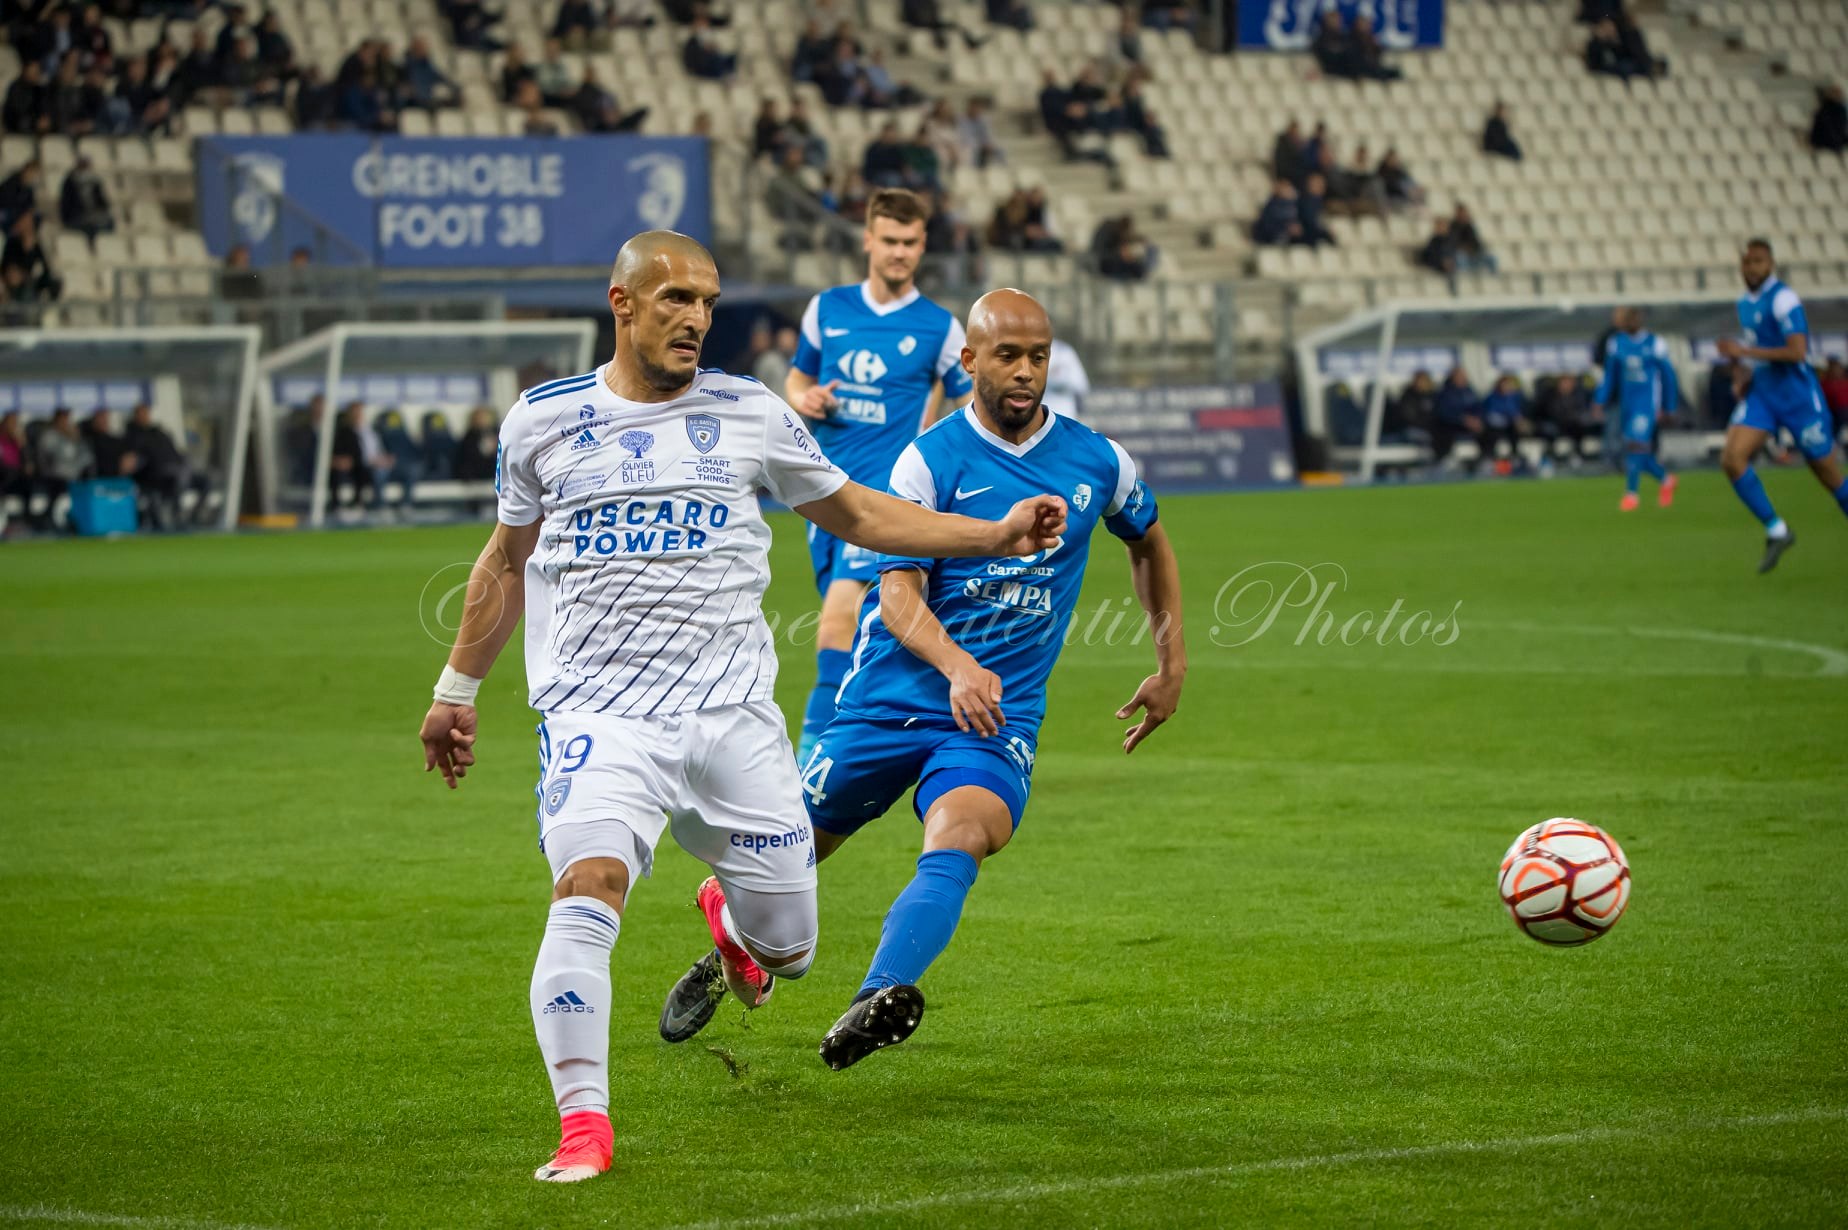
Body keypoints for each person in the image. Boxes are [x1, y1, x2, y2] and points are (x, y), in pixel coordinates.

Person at [416, 230, 1064, 1182]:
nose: (695, 319)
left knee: (793, 948)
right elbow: (505, 561)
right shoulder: (542, 422)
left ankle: (736, 927)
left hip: (733, 721)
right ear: (622, 301)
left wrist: (994, 533)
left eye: (708, 302)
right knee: (589, 886)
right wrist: (454, 691)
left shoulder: (748, 413)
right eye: (674, 298)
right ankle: (584, 1126)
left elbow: (859, 512)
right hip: (602, 717)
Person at [658, 288, 1183, 1068]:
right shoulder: (928, 460)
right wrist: (959, 664)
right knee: (789, 854)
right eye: (1007, 355)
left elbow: (1148, 541)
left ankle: (877, 995)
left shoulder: (1097, 461)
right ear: (970, 360)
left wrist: (1171, 661)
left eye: (1038, 356)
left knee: (965, 834)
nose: (1025, 372)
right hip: (887, 701)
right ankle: (731, 934)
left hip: (994, 716)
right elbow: (897, 595)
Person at [783, 189, 975, 761]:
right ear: (868, 239)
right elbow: (796, 380)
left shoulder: (940, 328)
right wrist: (807, 396)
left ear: (922, 246)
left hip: (885, 499)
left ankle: (810, 763)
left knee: (839, 619)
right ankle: (903, 731)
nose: (899, 253)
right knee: (867, 629)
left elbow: (973, 412)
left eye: (910, 243)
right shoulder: (827, 309)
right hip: (822, 495)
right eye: (889, 241)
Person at [1715, 239, 1848, 571]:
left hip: (1798, 396)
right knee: (1732, 458)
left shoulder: (1784, 299)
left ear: (1771, 264)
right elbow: (1756, 347)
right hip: (1764, 394)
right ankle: (1777, 530)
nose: (1752, 268)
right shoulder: (1745, 303)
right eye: (1747, 262)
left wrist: (1744, 353)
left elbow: (1797, 352)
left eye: (1758, 261)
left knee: (1828, 474)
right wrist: (1741, 373)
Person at [1594, 307, 1679, 510]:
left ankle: (1631, 494)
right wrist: (1600, 400)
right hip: (1627, 404)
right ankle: (1665, 479)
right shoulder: (1617, 343)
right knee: (1635, 448)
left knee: (1636, 446)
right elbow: (1610, 376)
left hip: (1647, 403)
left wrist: (1669, 406)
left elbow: (1668, 377)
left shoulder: (1655, 344)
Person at [123, 402, 211, 527]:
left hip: (176, 470)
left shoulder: (159, 432)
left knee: (205, 482)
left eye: (146, 413)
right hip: (154, 476)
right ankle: (176, 518)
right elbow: (132, 460)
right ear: (135, 416)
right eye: (141, 414)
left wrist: (182, 462)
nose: (145, 416)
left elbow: (175, 451)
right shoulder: (133, 436)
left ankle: (194, 517)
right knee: (176, 480)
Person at [1809, 85, 1846, 157]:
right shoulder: (1824, 110)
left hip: (1835, 141)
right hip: (1825, 142)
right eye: (1836, 94)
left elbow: (1841, 127)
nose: (1839, 96)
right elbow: (1828, 128)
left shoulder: (1841, 109)